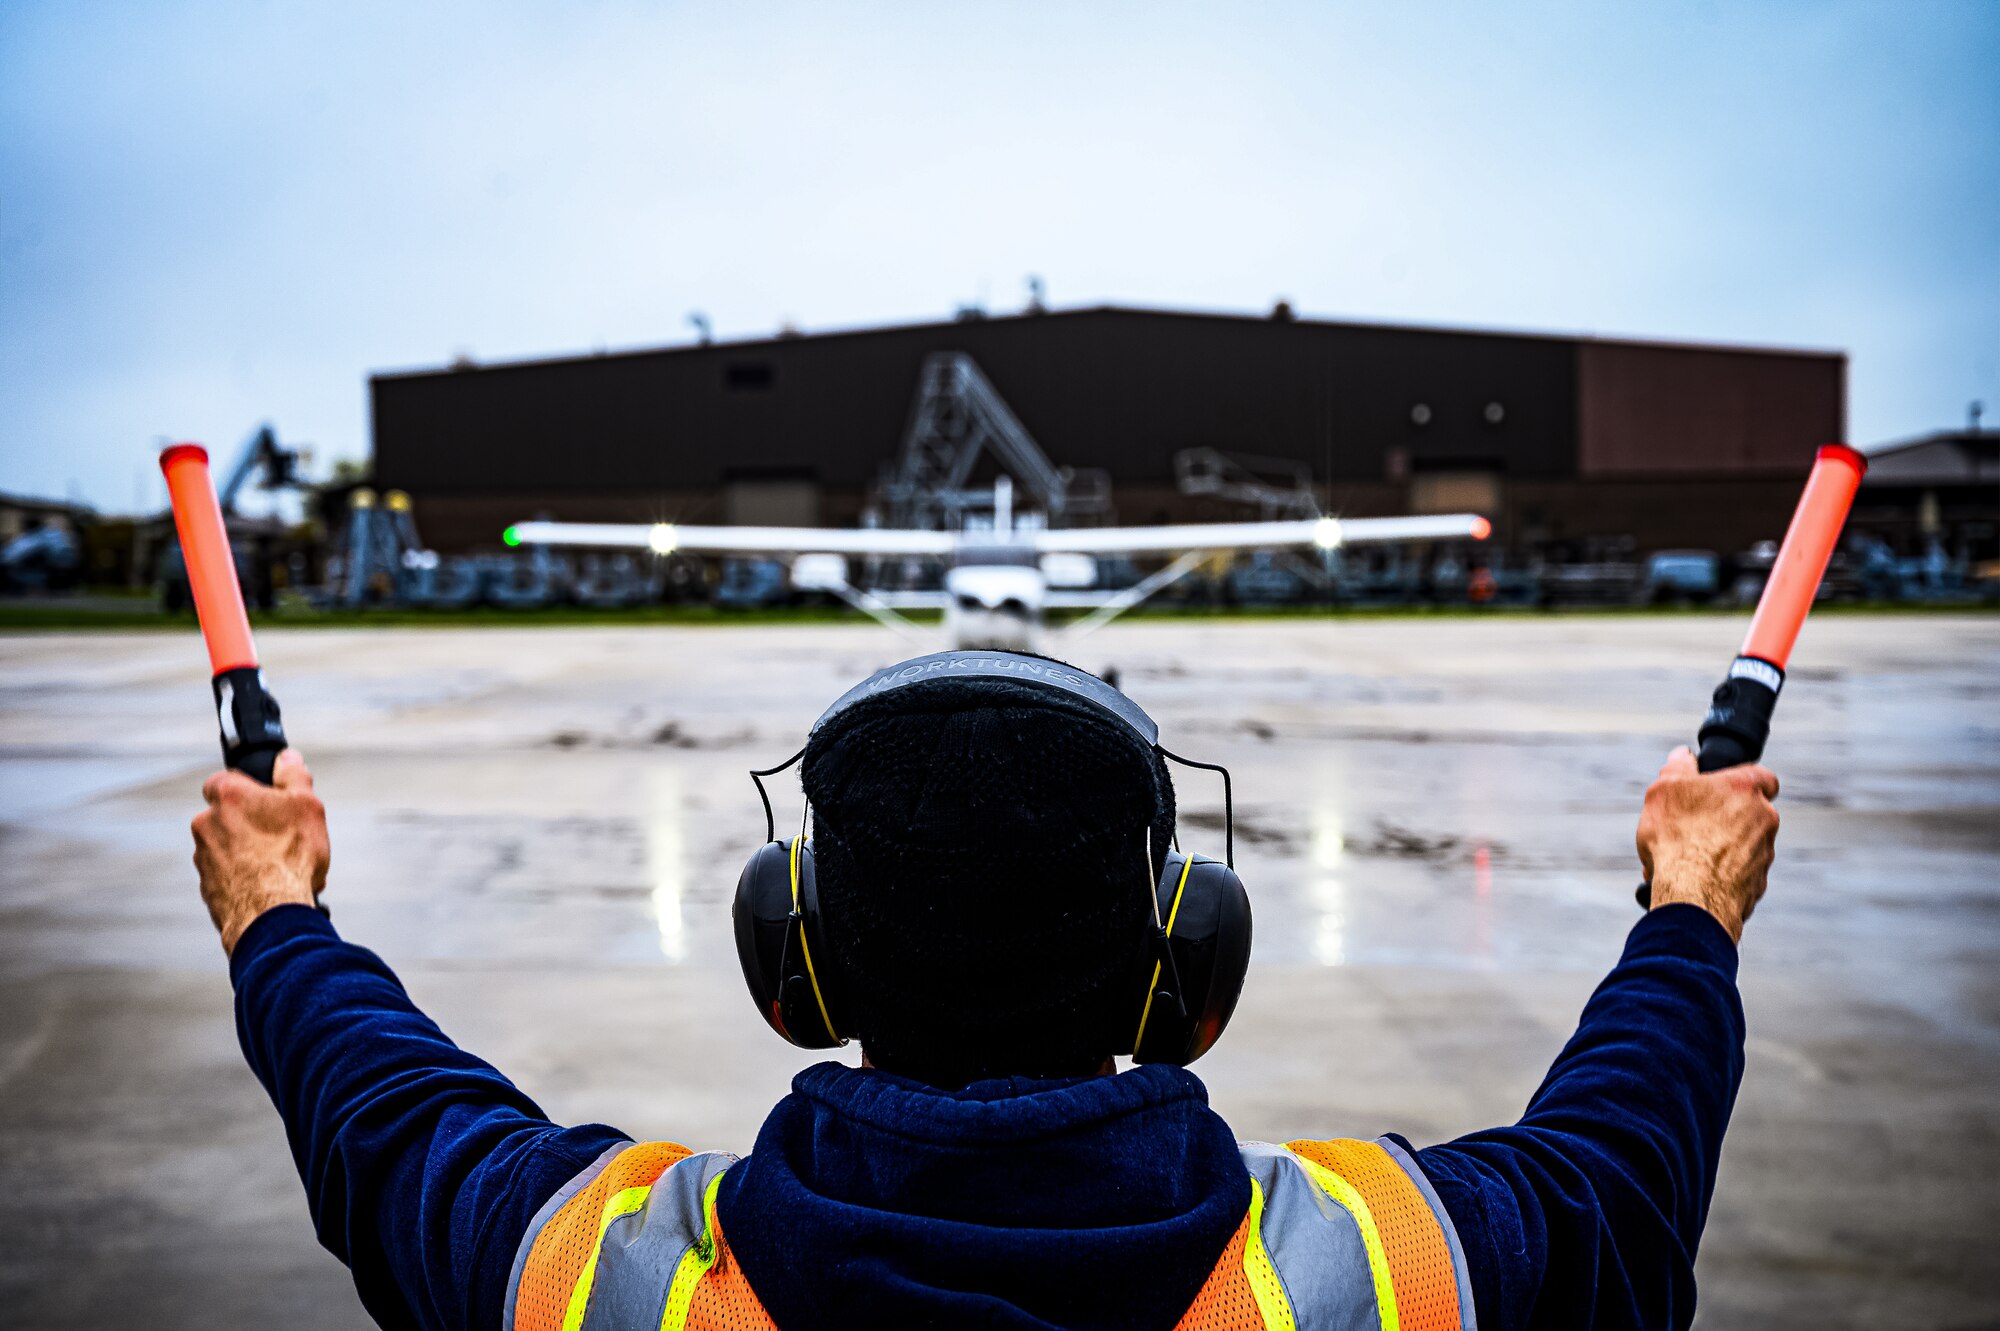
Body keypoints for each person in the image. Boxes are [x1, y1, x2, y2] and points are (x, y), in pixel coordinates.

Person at [192, 650, 1779, 1330]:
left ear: (794, 950)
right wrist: (1688, 897)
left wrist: (276, 905)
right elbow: (1620, 1160)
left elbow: (385, 1112)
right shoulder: (1392, 1272)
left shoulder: (594, 1279)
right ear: (1182, 958)